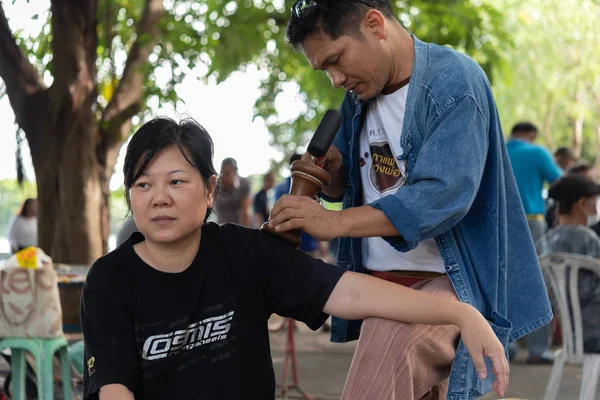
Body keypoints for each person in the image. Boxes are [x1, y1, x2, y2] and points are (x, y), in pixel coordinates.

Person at [80, 117, 508, 400]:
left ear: (210, 190)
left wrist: (460, 314)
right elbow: (113, 388)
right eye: (142, 185)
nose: (159, 199)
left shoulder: (245, 254)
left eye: (176, 181)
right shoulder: (111, 279)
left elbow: (354, 293)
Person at [269, 1, 550, 398]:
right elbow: (351, 186)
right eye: (324, 69)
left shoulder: (454, 80)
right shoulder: (358, 97)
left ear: (374, 24)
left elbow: (441, 197)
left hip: (450, 281)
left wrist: (331, 223)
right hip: (382, 282)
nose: (334, 79)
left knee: (382, 362)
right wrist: (330, 177)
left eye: (336, 60)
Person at [536, 175, 600, 354]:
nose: (596, 207)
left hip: (571, 331)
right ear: (581, 203)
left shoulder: (545, 241)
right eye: (594, 201)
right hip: (595, 328)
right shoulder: (588, 238)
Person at [506, 122, 563, 242]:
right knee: (535, 259)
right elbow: (561, 182)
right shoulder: (537, 152)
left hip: (496, 219)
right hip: (530, 219)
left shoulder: (494, 151)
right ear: (532, 135)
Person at [275, 153, 328, 258]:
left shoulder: (314, 185)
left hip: (310, 243)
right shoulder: (282, 188)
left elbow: (318, 213)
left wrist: (321, 243)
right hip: (291, 242)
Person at [213, 158, 252, 226]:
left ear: (235, 173)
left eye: (227, 173)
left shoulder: (244, 184)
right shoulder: (216, 186)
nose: (224, 177)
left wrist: (245, 233)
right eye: (222, 173)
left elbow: (245, 212)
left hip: (240, 227)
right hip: (221, 227)